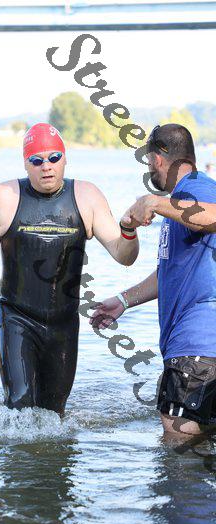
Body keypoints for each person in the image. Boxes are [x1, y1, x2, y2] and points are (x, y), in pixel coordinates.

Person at [0, 122, 139, 415]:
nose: (47, 166)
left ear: (65, 159)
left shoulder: (87, 196)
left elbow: (124, 255)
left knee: (54, 414)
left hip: (64, 323)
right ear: (25, 163)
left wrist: (129, 230)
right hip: (17, 317)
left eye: (54, 158)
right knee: (19, 405)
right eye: (37, 160)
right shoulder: (4, 196)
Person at [91, 124, 216, 436]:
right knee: (196, 447)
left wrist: (154, 202)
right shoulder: (180, 202)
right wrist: (123, 301)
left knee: (179, 446)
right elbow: (170, 274)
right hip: (197, 350)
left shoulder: (196, 187)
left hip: (197, 345)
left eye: (149, 163)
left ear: (158, 159)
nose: (150, 171)